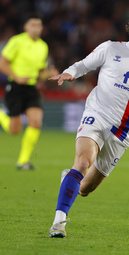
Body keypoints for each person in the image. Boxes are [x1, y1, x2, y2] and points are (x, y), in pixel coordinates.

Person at [48, 6, 129, 238]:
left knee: (85, 189)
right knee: (83, 162)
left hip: (122, 133)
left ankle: (70, 181)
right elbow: (84, 65)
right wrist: (69, 73)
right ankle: (59, 222)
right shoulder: (110, 48)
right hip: (97, 114)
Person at [0, 13, 58, 170]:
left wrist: (49, 74)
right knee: (14, 131)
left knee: (36, 122)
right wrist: (17, 77)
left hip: (31, 88)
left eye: (39, 25)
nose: (36, 28)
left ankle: (23, 161)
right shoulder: (16, 41)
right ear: (26, 27)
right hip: (15, 87)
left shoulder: (43, 46)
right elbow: (2, 63)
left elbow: (40, 72)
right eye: (33, 25)